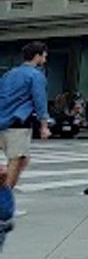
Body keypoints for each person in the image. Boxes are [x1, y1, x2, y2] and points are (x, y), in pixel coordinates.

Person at [0, 41, 51, 215]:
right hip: (18, 123)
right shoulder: (36, 75)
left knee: (22, 159)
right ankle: (4, 202)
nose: (45, 58)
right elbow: (39, 100)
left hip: (3, 120)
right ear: (37, 56)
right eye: (44, 55)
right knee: (17, 159)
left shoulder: (9, 74)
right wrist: (44, 124)